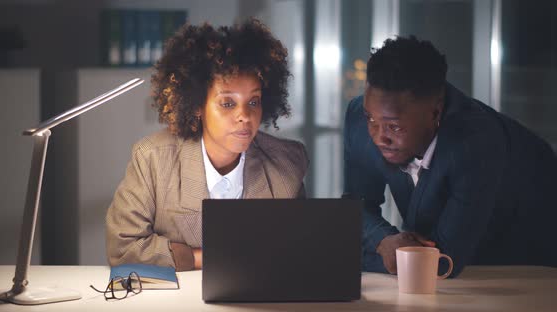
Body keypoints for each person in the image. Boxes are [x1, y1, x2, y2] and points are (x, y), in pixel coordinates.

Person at [343, 36, 557, 277]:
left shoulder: (476, 141)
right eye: (371, 118)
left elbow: (444, 262)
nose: (379, 137)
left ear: (435, 112)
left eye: (395, 127)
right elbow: (355, 208)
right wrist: (384, 240)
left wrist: (359, 254)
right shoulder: (360, 119)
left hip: (530, 252)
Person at [106, 19, 308, 271]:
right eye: (227, 103)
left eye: (253, 101)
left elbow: (300, 250)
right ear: (197, 106)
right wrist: (202, 258)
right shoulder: (153, 159)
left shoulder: (286, 165)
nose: (244, 115)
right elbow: (123, 247)